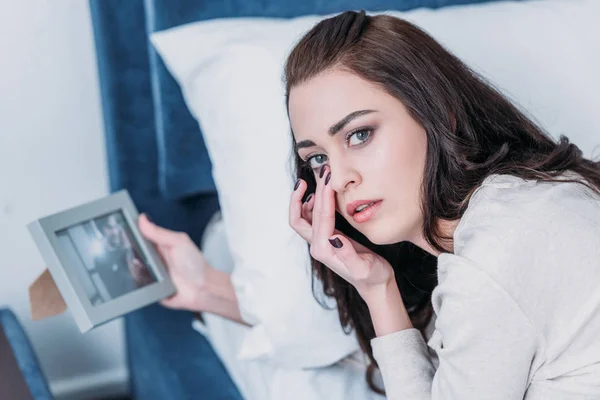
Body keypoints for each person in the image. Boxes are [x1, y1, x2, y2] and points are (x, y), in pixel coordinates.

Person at [138, 10, 600, 400]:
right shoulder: (528, 199)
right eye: (317, 158)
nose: (338, 178)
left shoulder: (497, 255)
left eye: (359, 135)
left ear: (439, 112)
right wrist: (376, 287)